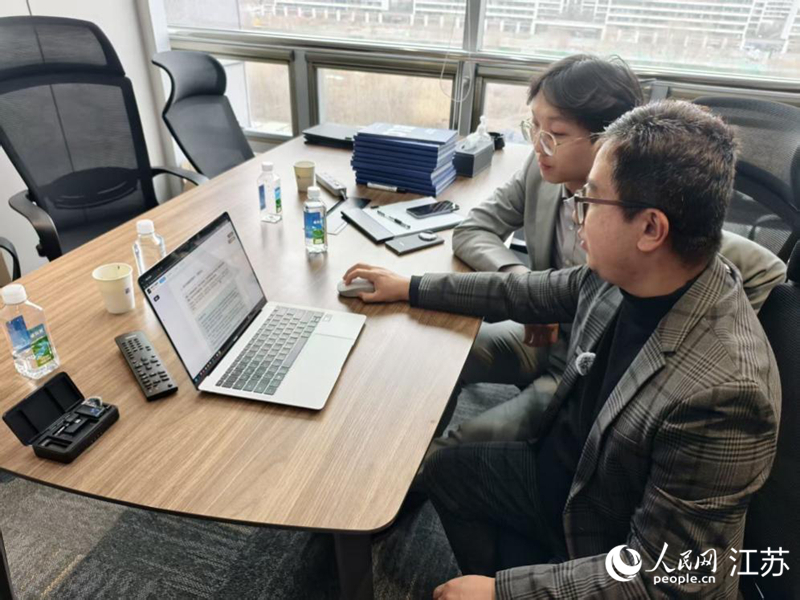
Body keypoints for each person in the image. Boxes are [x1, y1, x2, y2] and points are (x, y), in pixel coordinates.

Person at [343, 101, 781, 598]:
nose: (577, 214)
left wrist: (504, 592)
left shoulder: (724, 394)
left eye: (589, 199)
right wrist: (411, 286)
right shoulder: (632, 273)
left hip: (607, 536)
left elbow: (671, 580)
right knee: (447, 471)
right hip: (570, 476)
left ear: (650, 229)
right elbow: (522, 292)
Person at [434, 53, 785, 454]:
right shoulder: (543, 169)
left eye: (555, 133)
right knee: (441, 356)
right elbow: (473, 230)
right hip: (541, 338)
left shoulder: (646, 218)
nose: (538, 144)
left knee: (455, 450)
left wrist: (685, 353)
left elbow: (766, 270)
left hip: (591, 374)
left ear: (609, 139)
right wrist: (526, 285)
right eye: (534, 126)